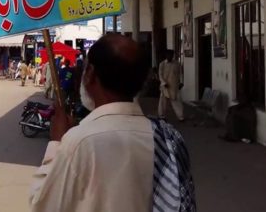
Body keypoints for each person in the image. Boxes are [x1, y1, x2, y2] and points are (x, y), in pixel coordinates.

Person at [29, 34, 196, 211]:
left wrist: (56, 143)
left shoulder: (79, 143)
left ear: (90, 74)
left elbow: (42, 205)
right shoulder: (170, 139)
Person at [158, 50, 185, 121]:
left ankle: (181, 117)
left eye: (171, 55)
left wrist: (181, 82)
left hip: (174, 86)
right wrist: (164, 83)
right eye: (168, 55)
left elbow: (181, 74)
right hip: (165, 87)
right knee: (163, 102)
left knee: (177, 102)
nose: (169, 56)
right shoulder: (162, 64)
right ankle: (162, 116)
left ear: (173, 55)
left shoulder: (177, 64)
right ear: (166, 55)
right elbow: (160, 75)